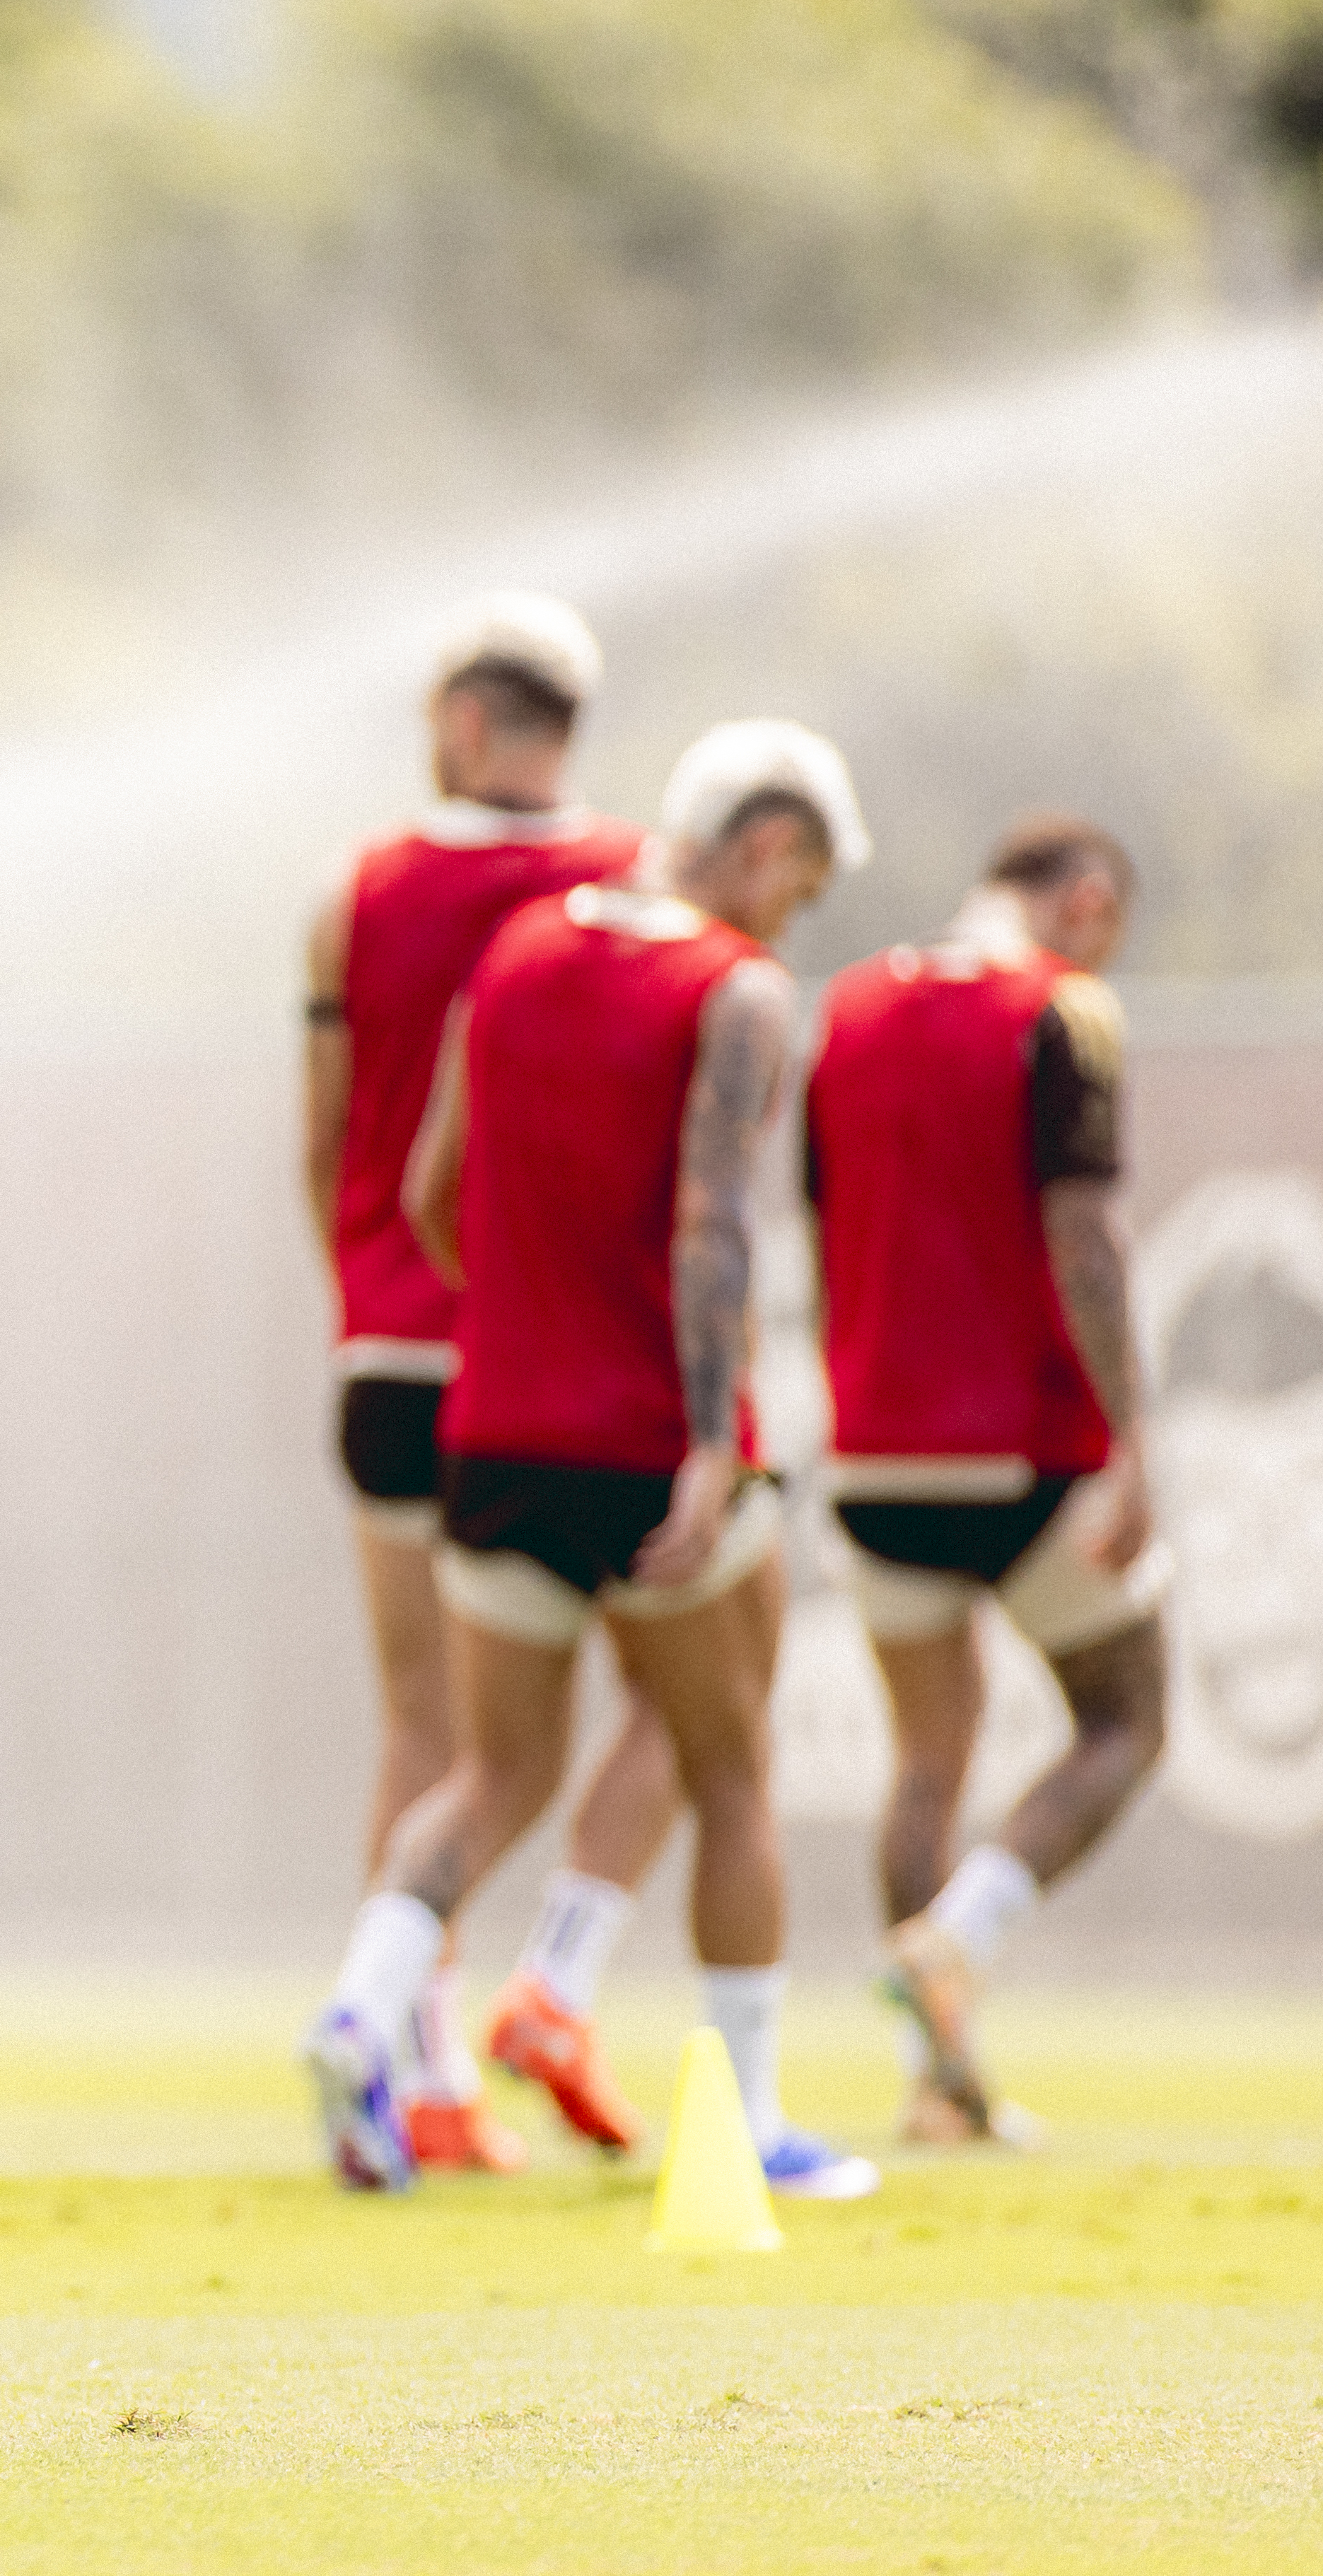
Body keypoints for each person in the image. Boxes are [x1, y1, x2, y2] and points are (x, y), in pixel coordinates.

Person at [302, 720, 880, 2203]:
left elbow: (434, 1186)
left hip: (493, 1425)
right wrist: (700, 1442)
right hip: (641, 1442)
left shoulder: (515, 952)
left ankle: (365, 2006)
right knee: (728, 1761)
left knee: (491, 1772)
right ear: (763, 845)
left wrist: (512, 1318)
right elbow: (712, 1224)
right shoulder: (735, 990)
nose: (790, 920)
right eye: (800, 885)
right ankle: (741, 2122)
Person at [299, 596, 682, 2169]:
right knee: (684, 1699)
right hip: (567, 1367)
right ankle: (563, 1984)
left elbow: (327, 1139)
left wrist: (368, 1282)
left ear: (462, 715)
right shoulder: (632, 882)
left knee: (423, 1726)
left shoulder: (361, 888)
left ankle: (417, 2060)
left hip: (393, 1345)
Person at [806, 816, 1167, 2145]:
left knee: (924, 1763)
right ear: (1082, 900)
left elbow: (812, 1212)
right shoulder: (1061, 1014)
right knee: (1126, 1718)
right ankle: (958, 1939)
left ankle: (933, 2090)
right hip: (1024, 1452)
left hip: (872, 1448)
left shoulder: (841, 1010)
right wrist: (1135, 1445)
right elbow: (1084, 1234)